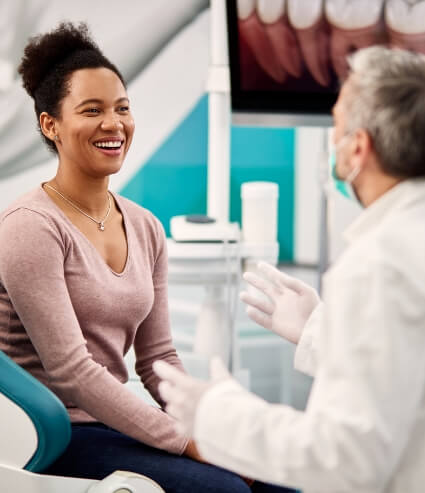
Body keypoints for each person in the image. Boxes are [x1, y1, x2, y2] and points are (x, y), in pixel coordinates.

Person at [0, 21, 294, 493]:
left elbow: (158, 356)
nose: (113, 123)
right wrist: (186, 441)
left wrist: (208, 423)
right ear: (49, 124)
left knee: (281, 481)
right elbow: (72, 374)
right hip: (54, 434)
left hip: (114, 422)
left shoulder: (144, 226)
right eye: (92, 110)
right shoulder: (29, 227)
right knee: (227, 491)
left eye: (122, 108)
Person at [154, 45, 425, 493]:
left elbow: (345, 458)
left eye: (337, 127)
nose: (333, 144)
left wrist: (219, 415)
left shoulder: (379, 263)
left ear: (358, 148)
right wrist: (322, 332)